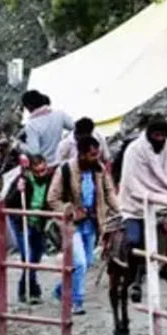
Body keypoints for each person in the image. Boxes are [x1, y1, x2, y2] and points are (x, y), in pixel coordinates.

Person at [118, 116, 167, 300]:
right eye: (156, 135)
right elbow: (131, 183)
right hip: (135, 204)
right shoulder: (134, 151)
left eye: (163, 136)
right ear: (149, 134)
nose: (160, 139)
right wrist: (151, 198)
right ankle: (134, 279)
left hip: (164, 199)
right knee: (134, 240)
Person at [48, 135, 119, 315]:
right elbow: (52, 198)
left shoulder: (100, 170)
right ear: (81, 154)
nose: (96, 158)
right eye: (92, 155)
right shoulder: (65, 170)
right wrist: (70, 210)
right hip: (71, 224)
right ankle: (76, 301)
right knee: (78, 262)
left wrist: (120, 211)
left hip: (93, 223)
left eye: (97, 154)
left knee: (85, 263)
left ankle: (60, 290)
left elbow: (109, 192)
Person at [5, 154, 52, 304]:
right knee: (28, 256)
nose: (40, 174)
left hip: (39, 223)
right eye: (36, 172)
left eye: (43, 171)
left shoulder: (51, 181)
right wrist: (18, 191)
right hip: (22, 223)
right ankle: (30, 289)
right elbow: (8, 202)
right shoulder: (22, 180)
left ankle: (26, 286)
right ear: (31, 170)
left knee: (36, 257)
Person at [18, 90, 76, 167]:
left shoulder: (31, 125)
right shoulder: (59, 114)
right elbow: (76, 127)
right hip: (64, 163)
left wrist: (20, 145)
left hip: (46, 167)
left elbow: (34, 151)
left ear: (29, 106)